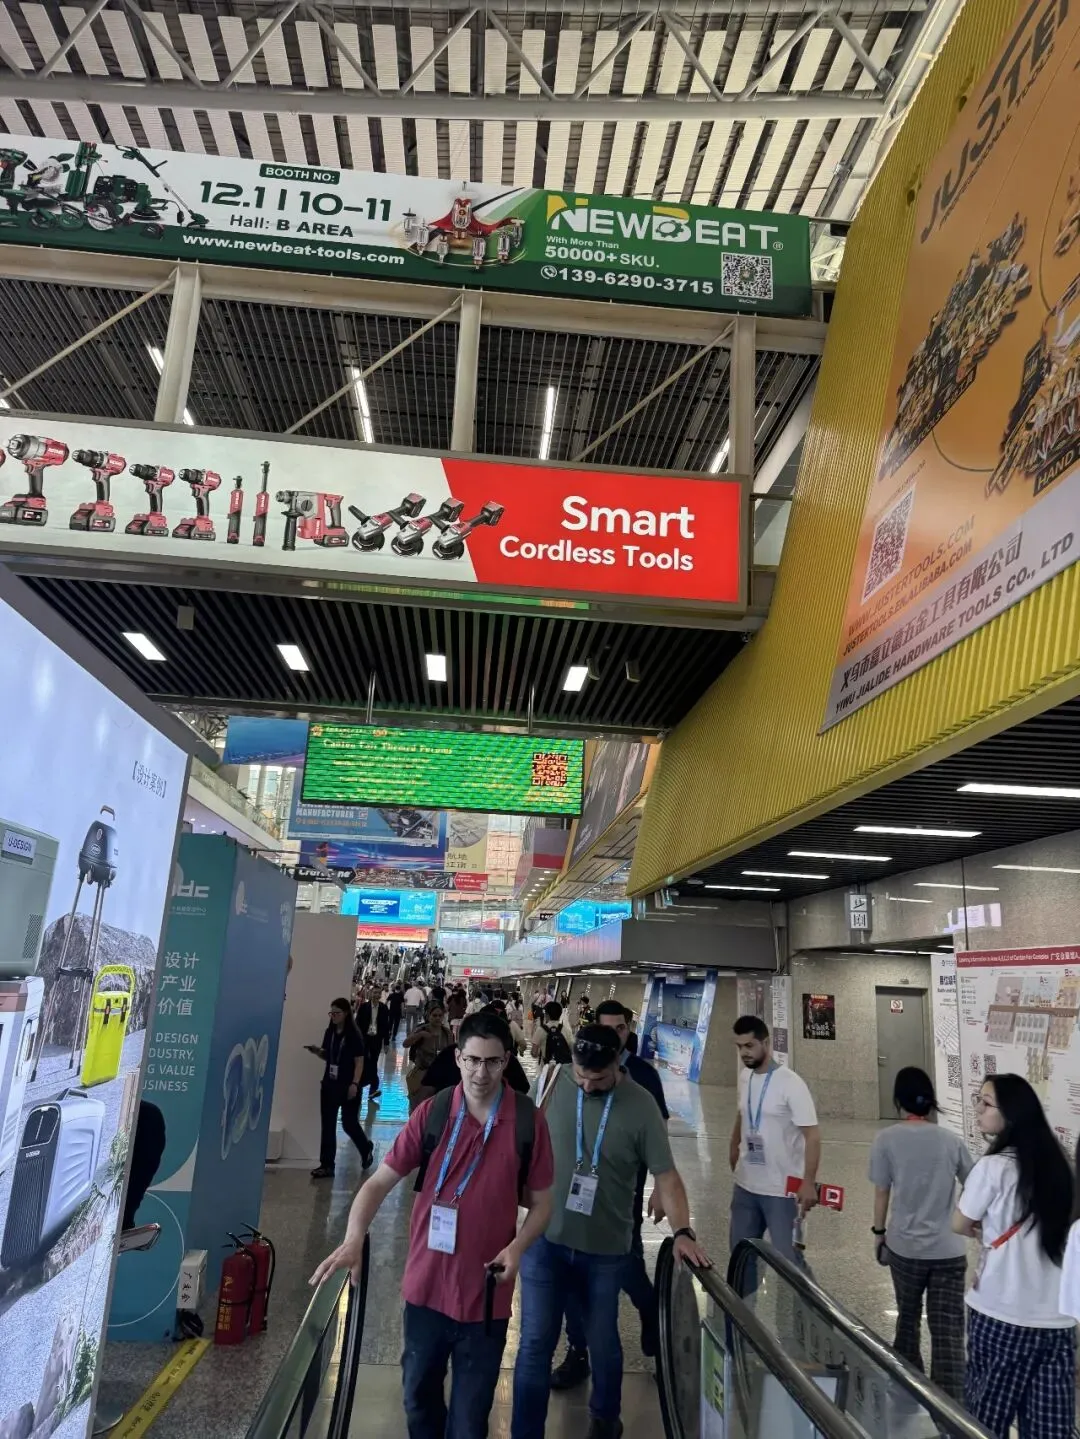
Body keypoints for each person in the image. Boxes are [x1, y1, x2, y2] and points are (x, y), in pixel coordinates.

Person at [310, 1013, 555, 1439]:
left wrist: (517, 1249)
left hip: (486, 1297)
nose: (481, 1073)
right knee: (418, 1402)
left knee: (469, 1420)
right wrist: (353, 1239)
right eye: (472, 1060)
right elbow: (378, 1183)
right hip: (425, 1290)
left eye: (492, 1062)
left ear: (507, 1060)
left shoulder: (527, 1122)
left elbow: (542, 1205)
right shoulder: (434, 1113)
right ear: (458, 1058)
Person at [512, 1025, 710, 1439]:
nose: (587, 1085)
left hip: (605, 1250)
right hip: (544, 1242)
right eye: (581, 1075)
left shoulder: (641, 1106)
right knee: (533, 1344)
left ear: (619, 1063)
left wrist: (683, 1232)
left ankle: (605, 1419)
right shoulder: (551, 1081)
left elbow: (667, 1176)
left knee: (603, 1340)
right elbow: (519, 1142)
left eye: (598, 1078)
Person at [551, 1001, 669, 1392]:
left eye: (620, 1029)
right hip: (573, 1208)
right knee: (575, 1285)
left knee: (628, 1271)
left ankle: (651, 1315)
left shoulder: (644, 1078)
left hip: (620, 1203)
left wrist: (660, 1187)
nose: (614, 1036)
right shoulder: (574, 1076)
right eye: (608, 1028)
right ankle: (577, 1350)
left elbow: (659, 1134)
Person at [953, 1073, 1075, 1438]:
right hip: (1056, 1322)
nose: (978, 1110)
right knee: (1049, 1429)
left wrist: (985, 1231)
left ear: (1012, 1114)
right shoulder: (1062, 1166)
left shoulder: (993, 1167)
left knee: (984, 1422)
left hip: (1000, 1315)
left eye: (986, 1103)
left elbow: (960, 1222)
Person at [867, 1066, 972, 1400]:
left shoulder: (886, 1139)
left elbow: (882, 1191)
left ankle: (907, 1395)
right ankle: (951, 1409)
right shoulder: (951, 1141)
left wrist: (879, 1233)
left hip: (905, 1248)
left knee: (908, 1319)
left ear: (899, 1101)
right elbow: (973, 1185)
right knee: (948, 1332)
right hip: (949, 1251)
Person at [728, 1015, 820, 1276]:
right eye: (739, 1047)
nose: (744, 1053)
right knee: (741, 1259)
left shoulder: (791, 1083)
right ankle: (741, 1304)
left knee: (789, 1262)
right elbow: (743, 1113)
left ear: (766, 1043)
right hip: (746, 1186)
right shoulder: (745, 1077)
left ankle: (810, 1303)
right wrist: (733, 1143)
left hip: (781, 1190)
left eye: (749, 1046)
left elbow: (812, 1136)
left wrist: (808, 1182)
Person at [306, 998, 373, 1177]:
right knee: (328, 1125)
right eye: (332, 1013)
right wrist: (317, 1051)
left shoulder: (354, 1035)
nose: (334, 1016)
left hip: (348, 1085)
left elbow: (359, 1062)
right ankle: (327, 1165)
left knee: (349, 1123)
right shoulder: (330, 1033)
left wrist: (355, 1084)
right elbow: (328, 1055)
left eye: (337, 1013)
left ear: (346, 1014)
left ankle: (365, 1147)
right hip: (329, 1084)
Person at [406, 1002, 454, 1112]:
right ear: (428, 1016)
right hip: (422, 1074)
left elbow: (451, 1052)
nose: (437, 1018)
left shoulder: (447, 1033)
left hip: (441, 1075)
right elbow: (406, 1044)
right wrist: (420, 1035)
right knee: (418, 1107)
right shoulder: (422, 1030)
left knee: (436, 1107)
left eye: (440, 1015)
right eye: (434, 1015)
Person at [356, 988, 389, 1101]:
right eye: (375, 992)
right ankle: (365, 1087)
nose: (376, 995)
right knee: (364, 1062)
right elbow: (357, 1023)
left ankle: (371, 1089)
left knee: (373, 1062)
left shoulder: (384, 1008)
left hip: (376, 1039)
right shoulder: (363, 1007)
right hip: (364, 1039)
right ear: (370, 994)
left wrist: (386, 1043)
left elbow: (386, 1026)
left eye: (378, 993)